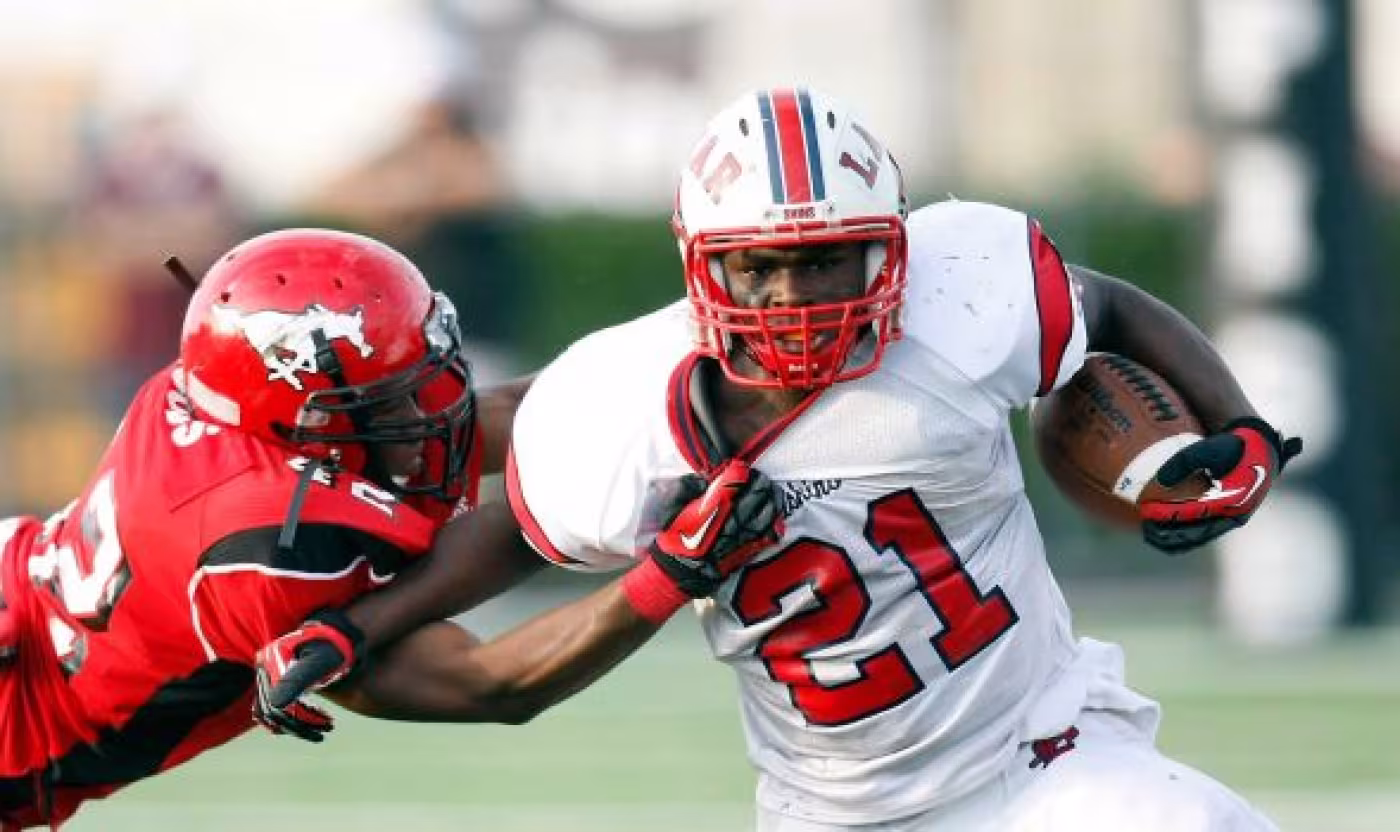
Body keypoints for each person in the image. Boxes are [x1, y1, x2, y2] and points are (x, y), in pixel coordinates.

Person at [256, 88, 1300, 831]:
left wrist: (1236, 422)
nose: (793, 299)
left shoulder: (962, 300)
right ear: (702, 265)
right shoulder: (624, 405)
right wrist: (354, 630)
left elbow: (1107, 301)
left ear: (891, 248)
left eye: (826, 260)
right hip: (830, 811)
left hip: (1044, 757)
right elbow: (511, 538)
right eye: (758, 269)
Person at [0, 228, 781, 830]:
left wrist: (714, 332)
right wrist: (668, 575)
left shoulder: (233, 388)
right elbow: (489, 683)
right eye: (387, 402)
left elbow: (507, 423)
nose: (425, 411)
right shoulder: (267, 551)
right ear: (302, 421)